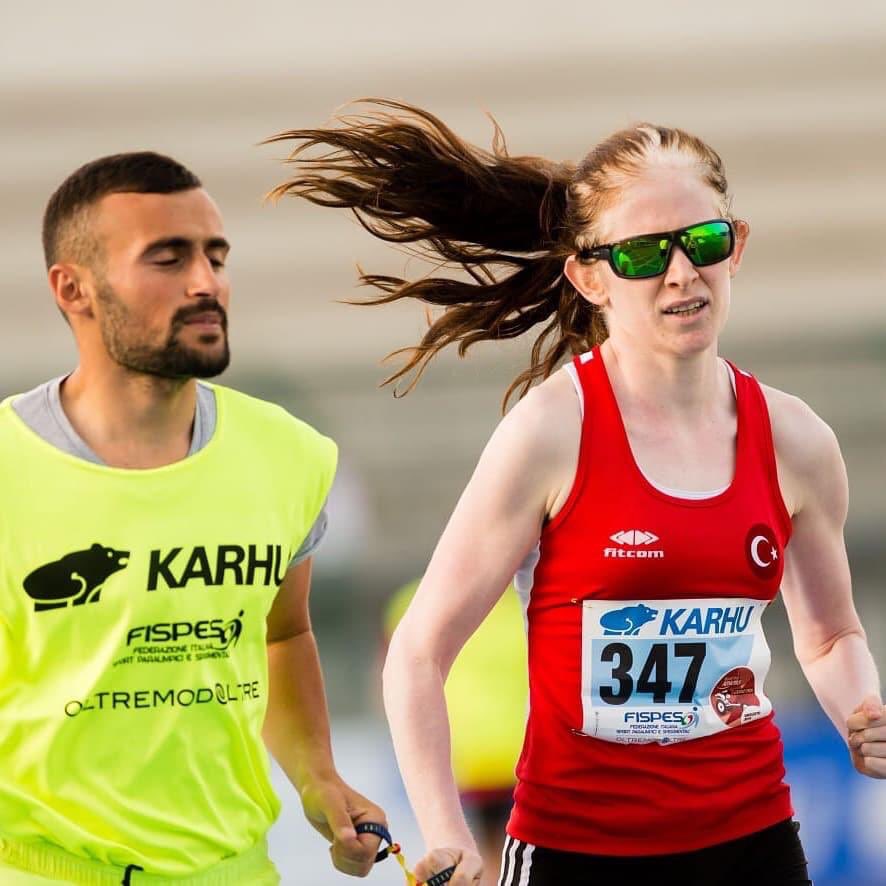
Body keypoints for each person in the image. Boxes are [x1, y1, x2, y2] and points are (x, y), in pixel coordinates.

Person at [266, 103, 886, 886]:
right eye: (642, 256)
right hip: (576, 851)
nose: (681, 274)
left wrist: (861, 709)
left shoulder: (797, 441)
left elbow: (830, 637)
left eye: (703, 243)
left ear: (738, 248)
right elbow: (419, 654)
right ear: (589, 275)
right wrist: (447, 835)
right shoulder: (550, 433)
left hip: (753, 840)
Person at [0, 152, 386, 885]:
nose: (206, 282)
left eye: (215, 255)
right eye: (168, 259)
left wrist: (318, 778)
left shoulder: (288, 454)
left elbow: (283, 632)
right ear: (73, 288)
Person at [383, 580, 528, 886]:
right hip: (511, 757)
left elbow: (392, 679)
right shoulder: (531, 600)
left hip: (459, 761)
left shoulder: (414, 600)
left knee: (476, 861)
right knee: (503, 860)